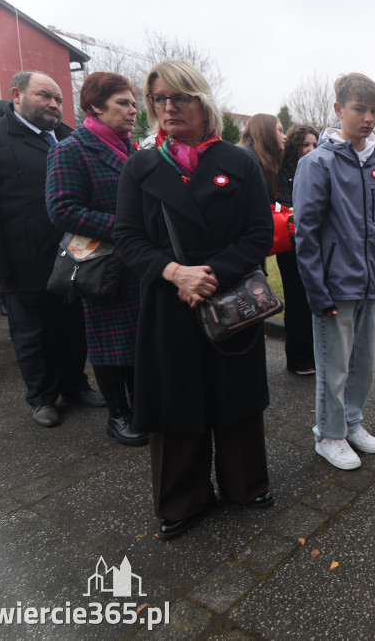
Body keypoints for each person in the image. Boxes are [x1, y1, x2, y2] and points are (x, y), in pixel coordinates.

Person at [114, 60, 274, 540]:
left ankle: (246, 484)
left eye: (178, 98)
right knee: (175, 400)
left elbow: (258, 233)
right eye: (159, 99)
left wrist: (210, 275)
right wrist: (174, 272)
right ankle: (182, 498)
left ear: (202, 102)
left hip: (231, 300)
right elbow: (126, 236)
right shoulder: (141, 165)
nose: (167, 107)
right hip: (169, 300)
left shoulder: (238, 161)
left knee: (236, 394)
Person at [0, 71, 103, 427]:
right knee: (32, 335)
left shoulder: (72, 138)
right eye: (44, 96)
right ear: (16, 95)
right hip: (21, 264)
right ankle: (42, 397)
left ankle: (75, 385)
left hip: (74, 260)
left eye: (59, 99)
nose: (54, 104)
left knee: (73, 330)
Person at [293, 73, 375, 471]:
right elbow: (306, 234)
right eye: (360, 109)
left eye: (374, 110)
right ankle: (329, 434)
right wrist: (317, 293)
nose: (369, 118)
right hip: (336, 287)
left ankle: (352, 422)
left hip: (370, 284)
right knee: (333, 368)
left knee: (362, 364)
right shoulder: (317, 163)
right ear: (339, 109)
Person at [45, 72, 146, 446]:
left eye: (134, 103)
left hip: (140, 262)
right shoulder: (70, 149)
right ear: (95, 106)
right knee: (109, 343)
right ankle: (118, 415)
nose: (133, 109)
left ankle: (143, 407)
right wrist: (125, 227)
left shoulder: (133, 150)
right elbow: (61, 209)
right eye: (123, 102)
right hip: (102, 264)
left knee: (138, 341)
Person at [277, 123, 320, 375]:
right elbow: (285, 206)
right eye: (305, 144)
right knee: (296, 300)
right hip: (292, 246)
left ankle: (312, 354)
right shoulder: (285, 172)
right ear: (294, 147)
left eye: (315, 144)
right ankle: (298, 358)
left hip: (314, 245)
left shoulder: (319, 169)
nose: (311, 149)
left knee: (311, 300)